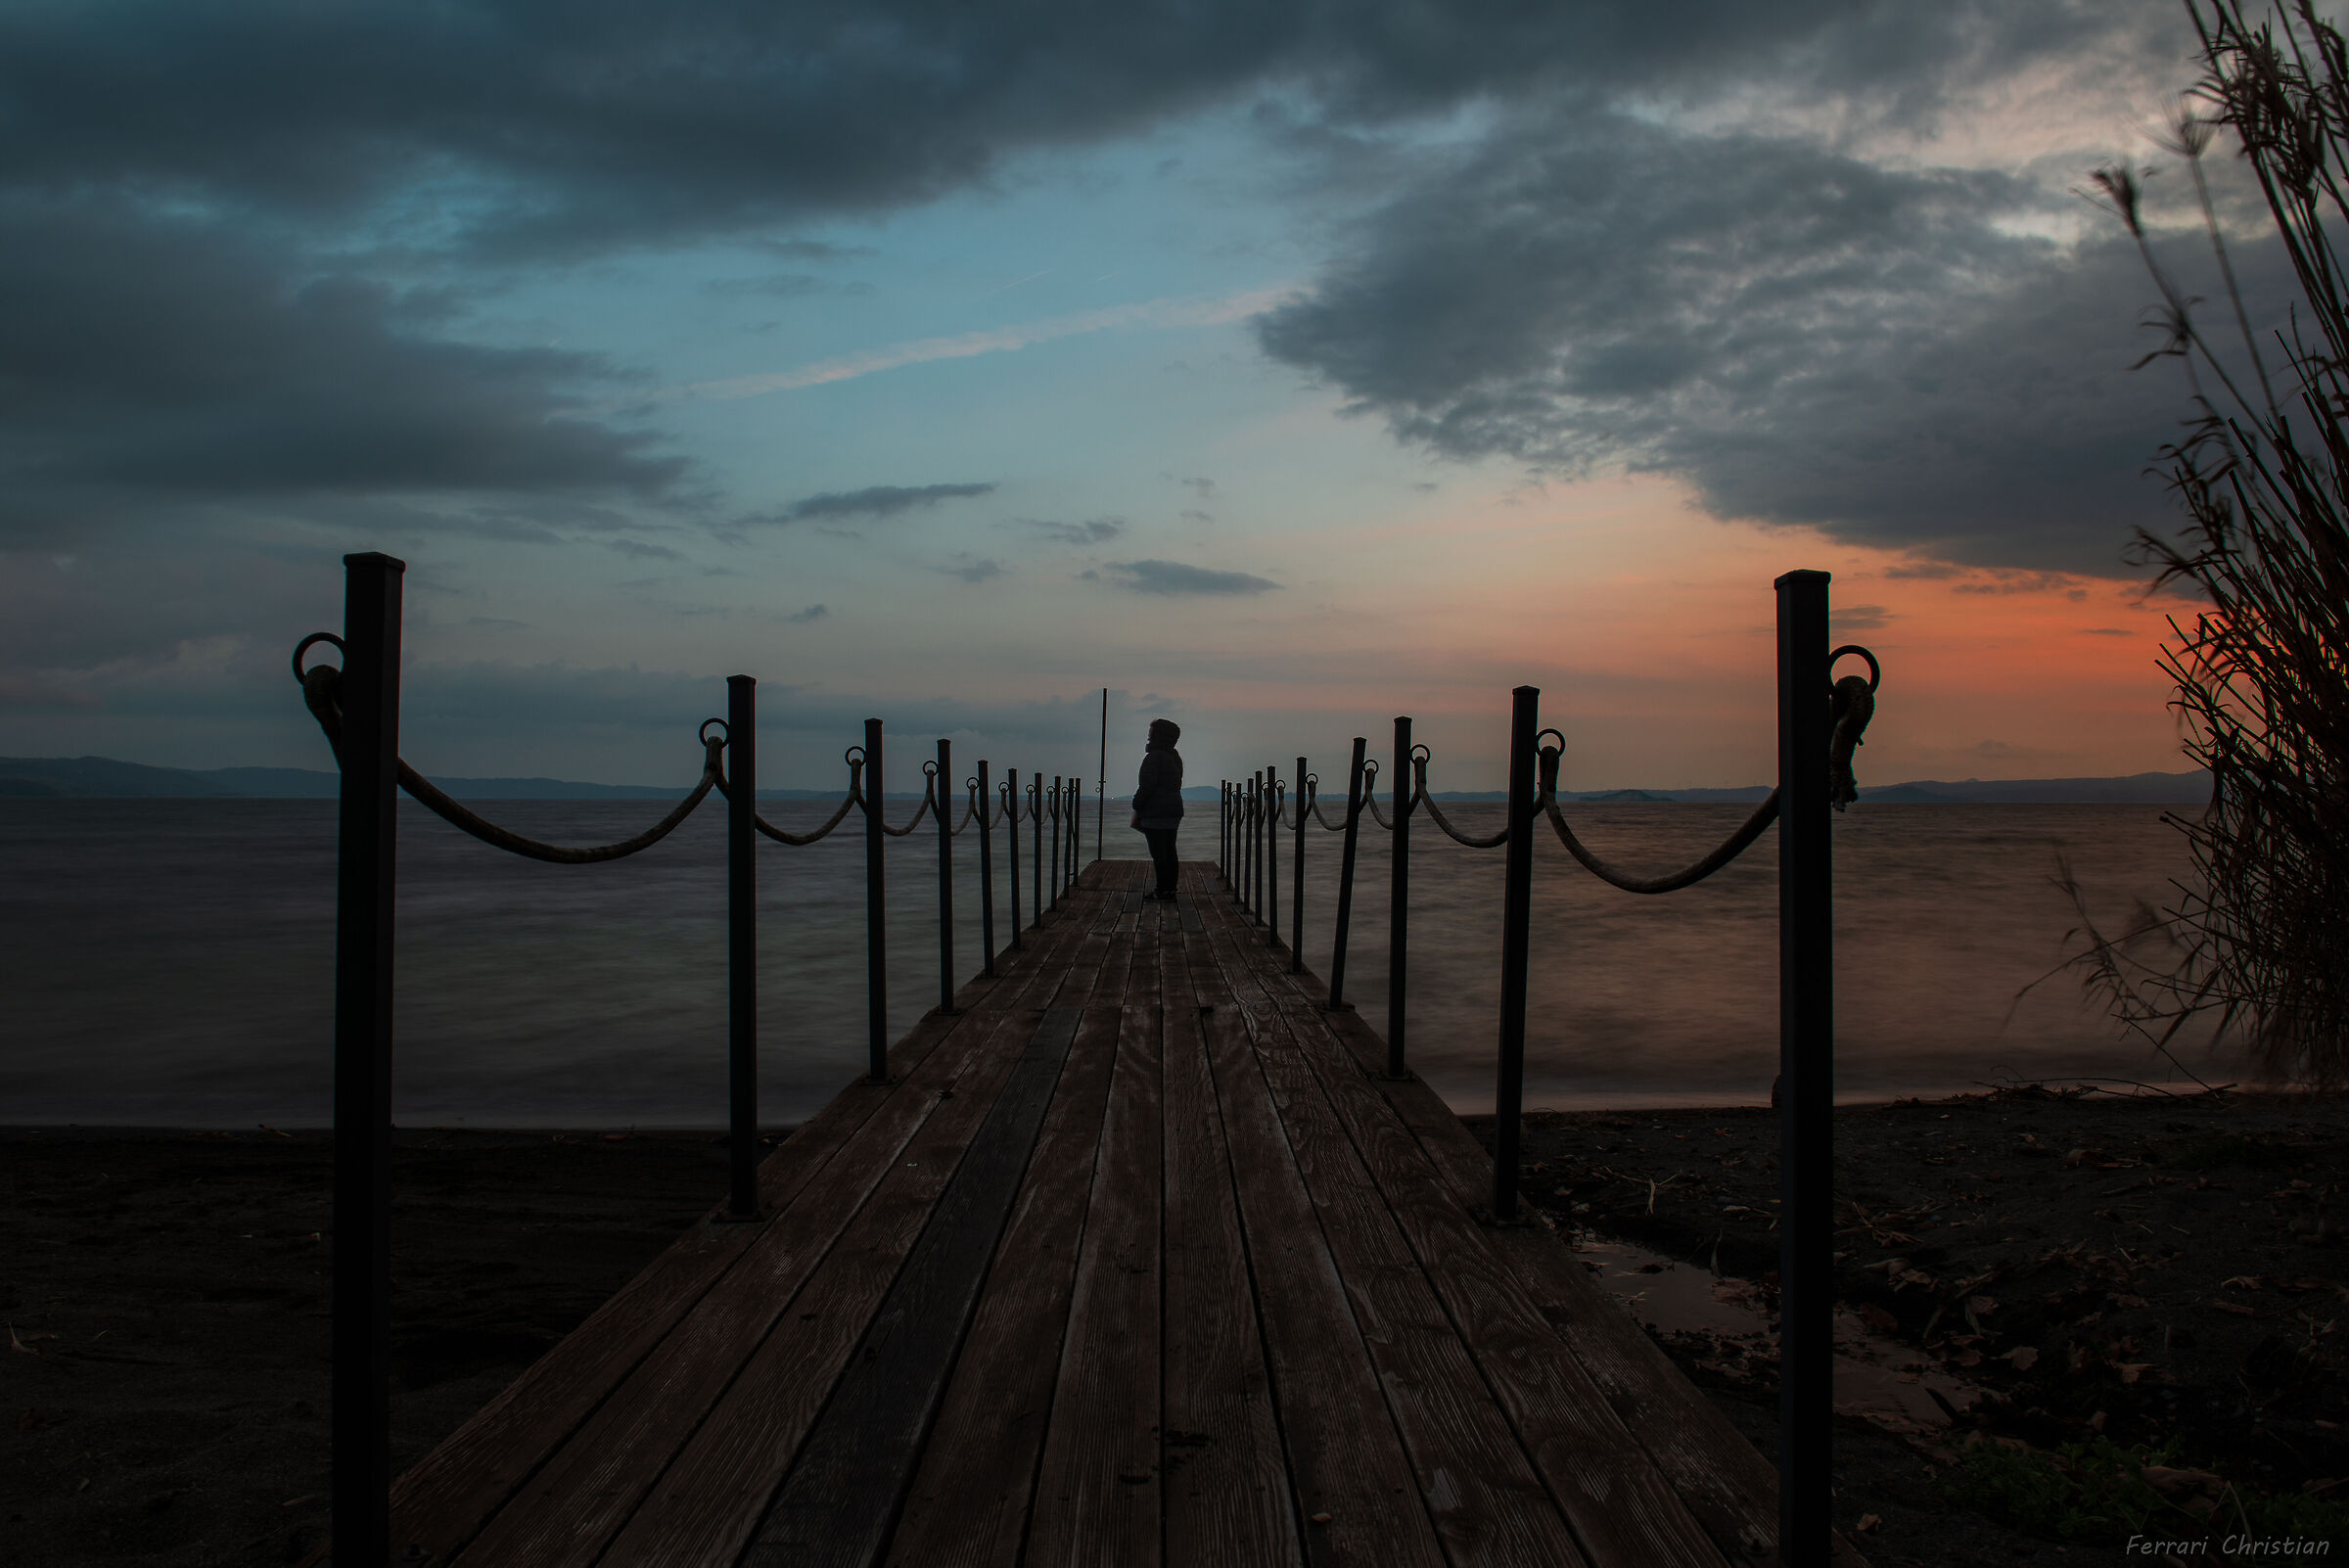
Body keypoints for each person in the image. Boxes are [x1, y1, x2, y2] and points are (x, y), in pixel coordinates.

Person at [1131, 717, 1184, 899]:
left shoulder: (1153, 758)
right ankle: (1170, 889)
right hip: (1173, 810)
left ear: (1158, 735)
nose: (1148, 735)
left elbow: (1147, 786)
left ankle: (1162, 890)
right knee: (1170, 850)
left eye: (1151, 731)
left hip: (1155, 812)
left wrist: (1136, 805)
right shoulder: (1174, 757)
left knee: (1159, 854)